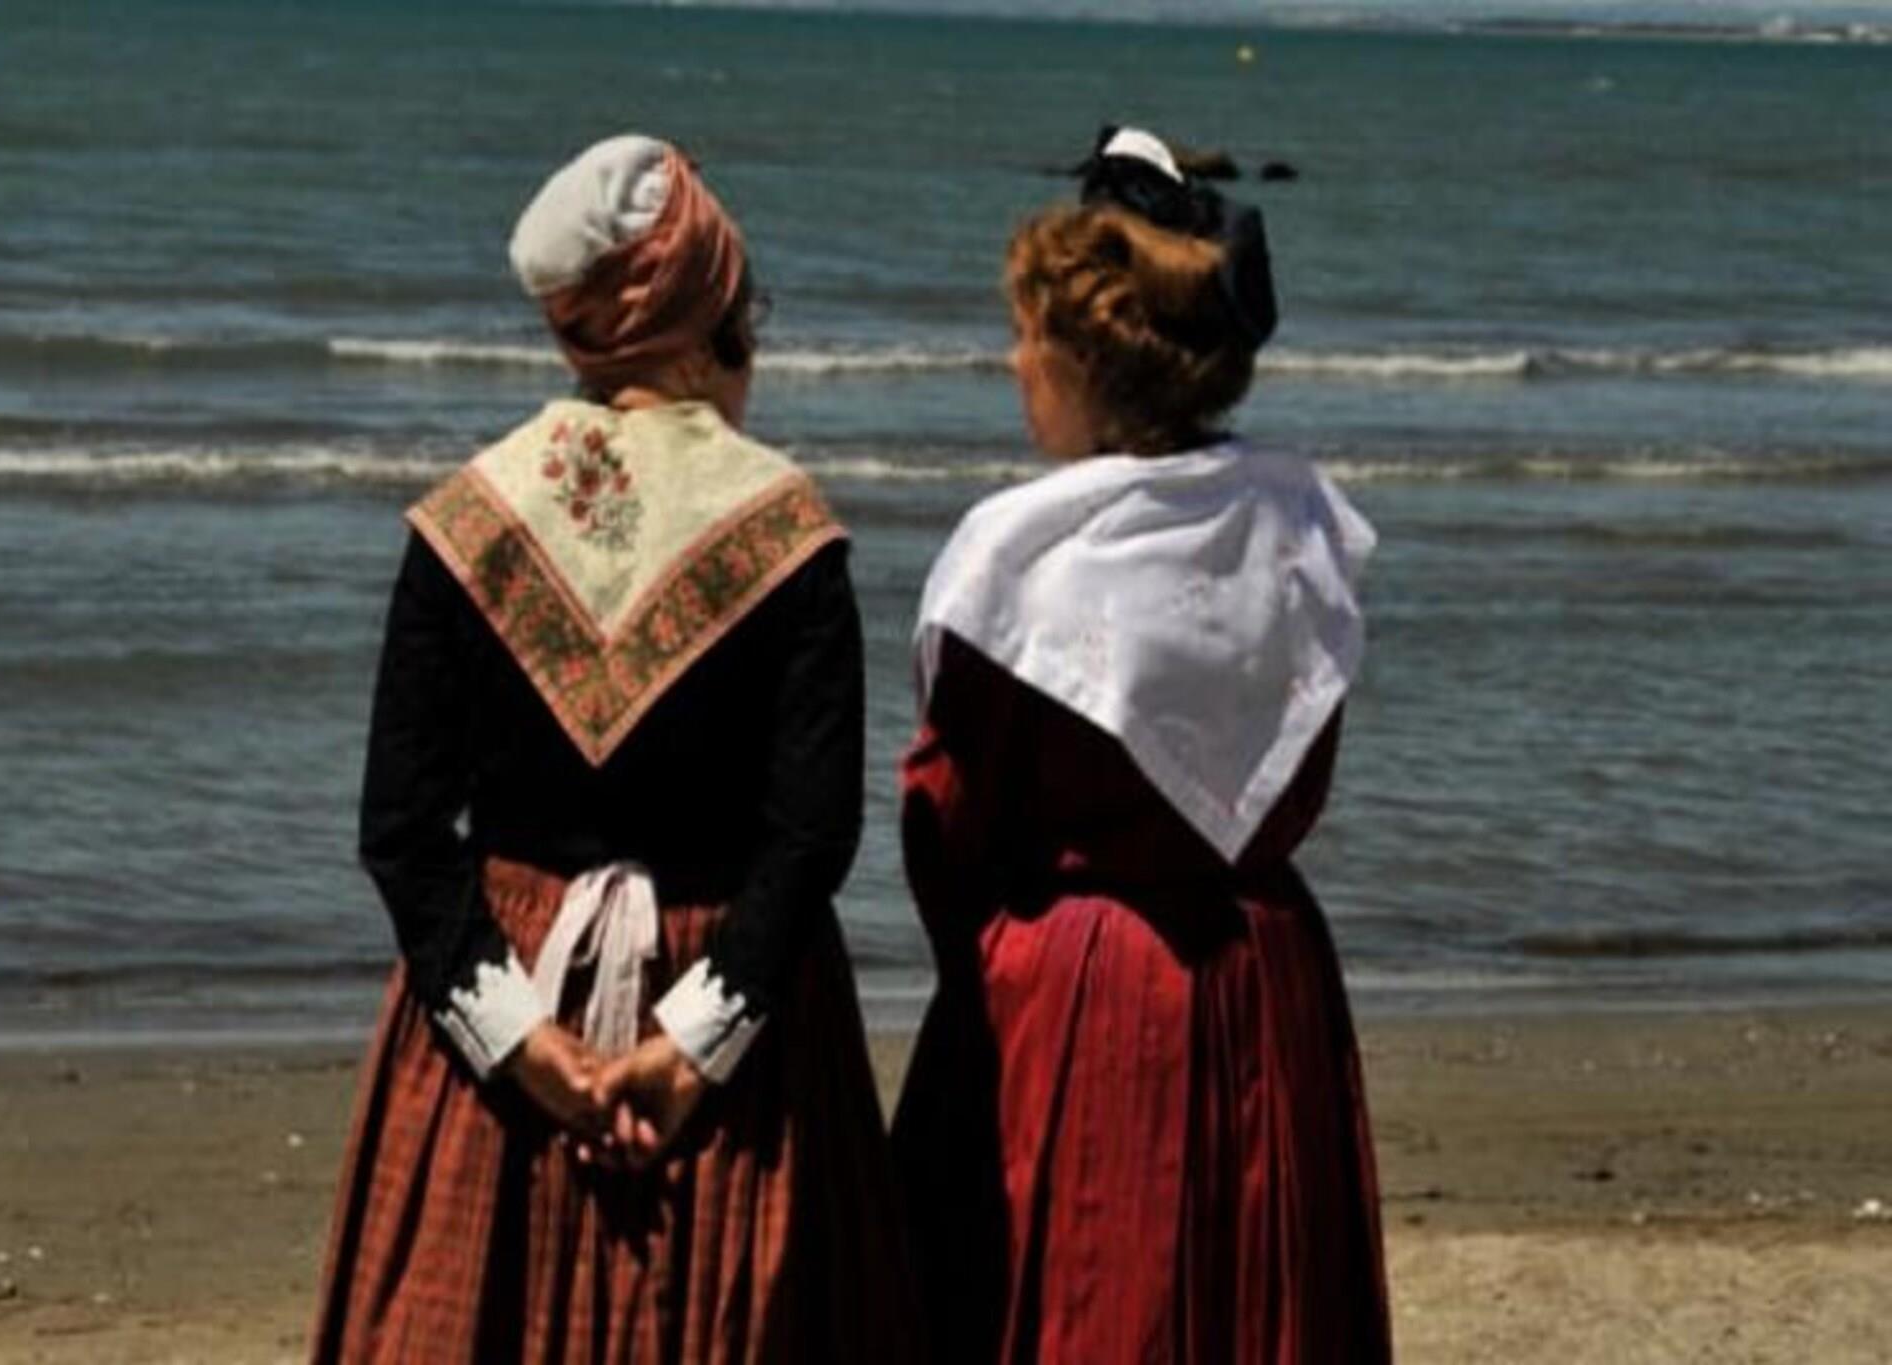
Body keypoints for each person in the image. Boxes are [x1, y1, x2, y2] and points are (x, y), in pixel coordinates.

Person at [311, 134, 916, 1363]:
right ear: (708, 319)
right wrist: (690, 1051)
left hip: (508, 991)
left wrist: (529, 1050)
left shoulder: (470, 517)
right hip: (734, 1014)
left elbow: (403, 834)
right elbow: (809, 838)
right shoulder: (788, 529)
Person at [890, 127, 1391, 1362]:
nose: (1012, 362)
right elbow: (1298, 767)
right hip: (1263, 969)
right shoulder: (1295, 529)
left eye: (1029, 337)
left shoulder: (1029, 563)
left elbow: (945, 817)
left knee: (1086, 1295)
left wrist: (995, 968)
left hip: (1083, 986)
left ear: (1087, 363)